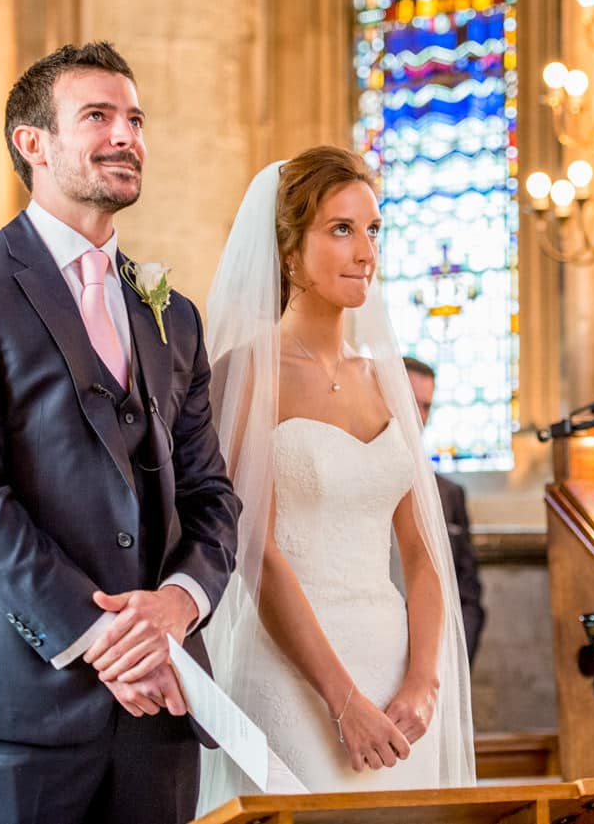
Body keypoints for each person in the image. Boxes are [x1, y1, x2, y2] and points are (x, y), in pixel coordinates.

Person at [0, 41, 241, 824]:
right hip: (20, 708)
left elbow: (209, 494)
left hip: (160, 704)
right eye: (98, 116)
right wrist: (100, 634)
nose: (127, 136)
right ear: (33, 142)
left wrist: (178, 607)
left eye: (136, 119)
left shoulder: (172, 313)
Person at [198, 149, 475, 808]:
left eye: (373, 229)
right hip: (296, 678)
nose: (365, 251)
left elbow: (423, 555)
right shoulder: (248, 372)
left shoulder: (386, 381)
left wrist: (423, 682)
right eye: (340, 229)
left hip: (397, 682)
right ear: (289, 251)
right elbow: (254, 553)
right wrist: (342, 698)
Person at [402, 356, 485, 664]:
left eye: (426, 406)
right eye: (411, 401)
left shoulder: (450, 495)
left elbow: (468, 595)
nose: (419, 416)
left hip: (440, 660)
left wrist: (453, 664)